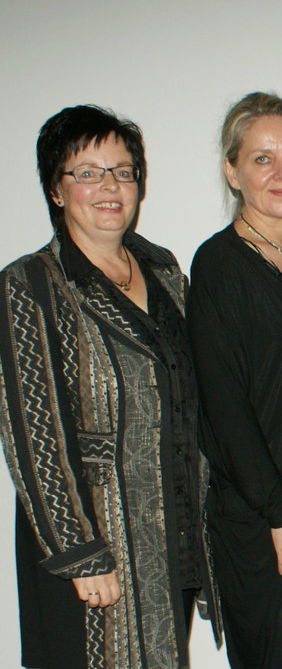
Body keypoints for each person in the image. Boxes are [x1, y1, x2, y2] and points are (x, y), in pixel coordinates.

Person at [0, 105, 221, 668]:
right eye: (88, 172)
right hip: (97, 545)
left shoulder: (165, 272)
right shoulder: (33, 283)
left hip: (173, 536)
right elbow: (32, 433)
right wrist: (79, 553)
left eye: (122, 171)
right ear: (56, 189)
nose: (109, 186)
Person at [187, 92, 282, 669]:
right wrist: (280, 512)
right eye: (262, 158)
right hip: (263, 520)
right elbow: (223, 409)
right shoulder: (219, 264)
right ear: (233, 171)